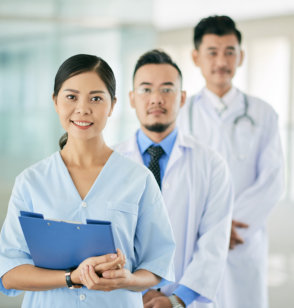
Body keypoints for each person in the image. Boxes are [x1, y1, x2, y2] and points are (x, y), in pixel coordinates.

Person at [0, 54, 176, 308]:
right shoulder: (31, 181)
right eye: (71, 97)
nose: (82, 109)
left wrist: (127, 279)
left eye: (96, 98)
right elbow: (9, 271)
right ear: (55, 102)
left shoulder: (138, 179)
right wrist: (71, 277)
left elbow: (158, 264)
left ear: (112, 105)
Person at [177, 16, 284, 308]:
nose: (221, 61)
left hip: (242, 240)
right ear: (196, 57)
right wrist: (212, 229)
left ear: (241, 56)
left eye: (229, 52)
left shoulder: (263, 114)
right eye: (212, 52)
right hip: (196, 237)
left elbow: (273, 180)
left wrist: (225, 229)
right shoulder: (181, 114)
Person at [115, 49, 234, 308]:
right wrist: (137, 293)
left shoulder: (211, 164)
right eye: (146, 90)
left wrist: (177, 300)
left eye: (167, 89)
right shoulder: (109, 163)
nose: (156, 98)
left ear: (182, 98)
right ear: (132, 99)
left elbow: (214, 244)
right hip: (123, 298)